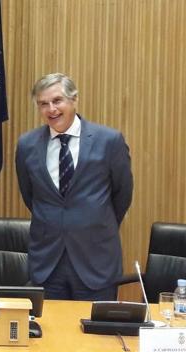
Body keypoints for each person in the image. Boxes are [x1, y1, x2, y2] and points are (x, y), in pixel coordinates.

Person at [15, 73, 133, 301]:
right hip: (47, 263)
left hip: (95, 260)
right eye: (43, 104)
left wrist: (93, 222)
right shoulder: (27, 145)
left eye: (57, 101)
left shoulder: (109, 141)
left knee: (96, 335)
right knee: (48, 334)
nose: (51, 109)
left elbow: (123, 194)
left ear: (74, 100)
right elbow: (30, 195)